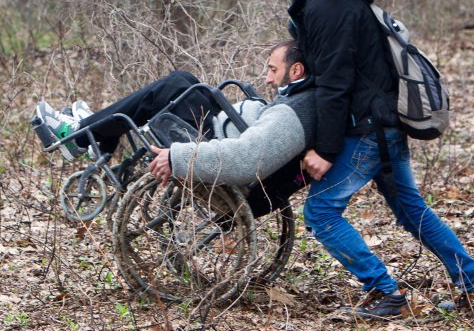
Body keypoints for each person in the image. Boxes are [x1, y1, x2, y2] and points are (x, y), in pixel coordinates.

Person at [261, 0, 474, 319]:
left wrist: (325, 150)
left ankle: (384, 292)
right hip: (381, 124)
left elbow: (335, 84)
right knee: (411, 211)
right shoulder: (325, 0)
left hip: (368, 129)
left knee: (321, 213)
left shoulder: (326, 6)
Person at [33, 40, 314, 218]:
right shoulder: (299, 99)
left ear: (296, 71)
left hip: (217, 147)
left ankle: (82, 135)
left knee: (177, 83)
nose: (267, 78)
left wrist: (178, 157)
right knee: (187, 80)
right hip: (223, 131)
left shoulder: (294, 112)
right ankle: (96, 131)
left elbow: (248, 156)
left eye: (273, 70)